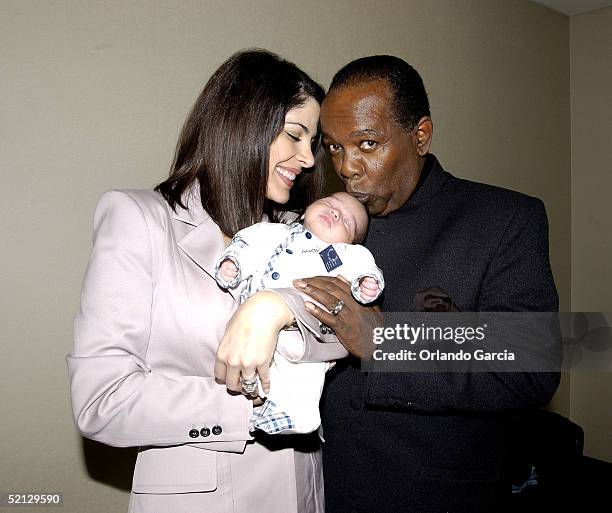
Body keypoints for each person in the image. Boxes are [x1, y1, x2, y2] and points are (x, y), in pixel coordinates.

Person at [287, 56, 561, 512]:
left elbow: (533, 363)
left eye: (367, 144)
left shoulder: (505, 219)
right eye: (333, 148)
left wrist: (383, 342)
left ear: (420, 135)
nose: (347, 167)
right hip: (321, 496)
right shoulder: (319, 221)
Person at [67, 49, 333, 513]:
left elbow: (343, 330)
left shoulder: (300, 231)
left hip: (302, 496)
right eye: (295, 135)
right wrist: (256, 408)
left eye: (314, 142)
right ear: (242, 124)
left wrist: (280, 304)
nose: (309, 159)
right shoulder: (140, 220)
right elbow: (101, 400)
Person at [215, 192, 384, 434]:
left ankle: (301, 417)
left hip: (307, 330)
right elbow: (247, 243)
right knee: (259, 371)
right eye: (330, 204)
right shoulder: (273, 232)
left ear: (349, 241)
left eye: (347, 222)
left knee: (304, 377)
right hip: (252, 327)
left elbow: (364, 266)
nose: (336, 213)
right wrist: (234, 263)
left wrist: (366, 283)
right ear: (305, 211)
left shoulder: (343, 254)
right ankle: (254, 409)